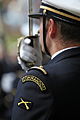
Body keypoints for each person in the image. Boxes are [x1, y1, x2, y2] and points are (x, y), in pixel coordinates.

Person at [12, 0, 80, 119]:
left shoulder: (38, 82)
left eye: (41, 23)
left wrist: (33, 75)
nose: (38, 31)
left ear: (51, 27)